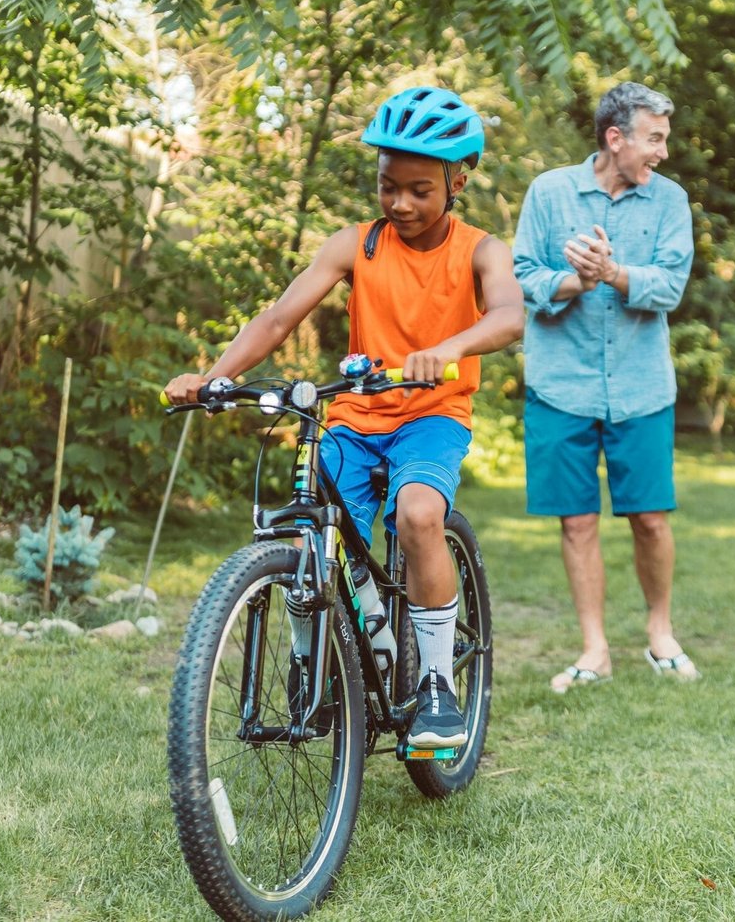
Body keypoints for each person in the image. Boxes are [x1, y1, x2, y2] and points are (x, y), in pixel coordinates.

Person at [164, 86, 524, 746]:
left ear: (458, 181)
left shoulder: (480, 250)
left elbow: (507, 315)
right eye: (389, 186)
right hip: (356, 417)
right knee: (310, 537)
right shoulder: (354, 245)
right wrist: (214, 378)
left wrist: (446, 349)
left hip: (432, 414)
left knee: (419, 515)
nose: (400, 203)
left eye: (419, 189)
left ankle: (437, 682)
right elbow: (277, 318)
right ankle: (314, 663)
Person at [512, 81, 697, 694]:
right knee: (577, 523)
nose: (663, 152)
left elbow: (670, 287)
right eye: (655, 139)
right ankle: (595, 648)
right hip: (560, 385)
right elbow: (525, 276)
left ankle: (660, 632)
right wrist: (576, 281)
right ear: (616, 139)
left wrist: (613, 273)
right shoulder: (550, 192)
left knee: (649, 518)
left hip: (642, 388)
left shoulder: (670, 202)